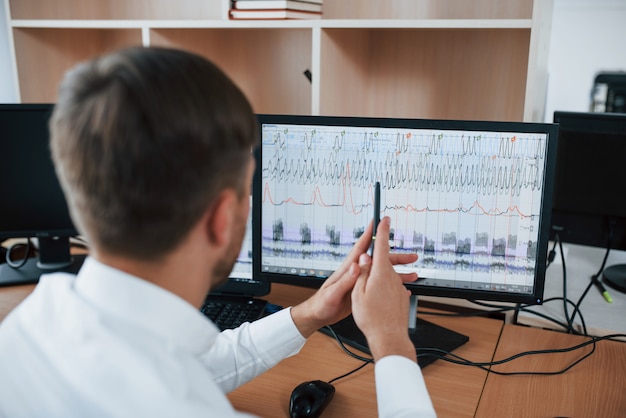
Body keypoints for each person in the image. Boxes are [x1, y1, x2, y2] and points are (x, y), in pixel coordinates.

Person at [0, 47, 436, 417]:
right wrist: (391, 340)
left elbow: (190, 366)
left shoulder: (26, 329)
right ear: (223, 217)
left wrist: (309, 314)